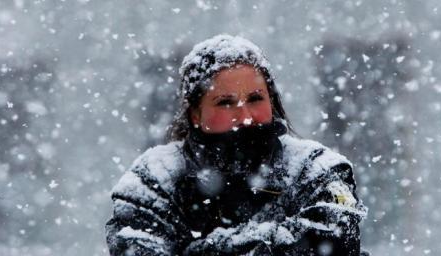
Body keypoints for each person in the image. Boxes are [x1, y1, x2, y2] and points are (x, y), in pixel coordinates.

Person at [105, 34, 368, 255]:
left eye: (255, 98)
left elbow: (335, 243)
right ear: (195, 113)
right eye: (225, 102)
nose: (244, 117)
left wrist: (199, 249)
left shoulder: (316, 170)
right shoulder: (154, 180)